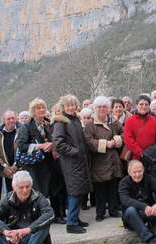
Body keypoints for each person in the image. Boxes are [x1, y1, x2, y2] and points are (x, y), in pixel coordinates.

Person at [52, 95, 91, 233]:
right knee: (75, 191)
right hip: (71, 162)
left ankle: (74, 217)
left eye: (73, 105)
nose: (71, 107)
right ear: (63, 107)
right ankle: (71, 223)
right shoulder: (60, 122)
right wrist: (75, 152)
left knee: (78, 191)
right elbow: (58, 143)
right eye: (68, 105)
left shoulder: (74, 119)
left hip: (79, 161)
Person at [84, 96, 124, 222]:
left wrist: (115, 140)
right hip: (99, 161)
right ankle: (100, 213)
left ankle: (113, 210)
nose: (102, 109)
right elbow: (88, 141)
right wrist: (105, 144)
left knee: (113, 186)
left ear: (108, 109)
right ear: (95, 109)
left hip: (113, 159)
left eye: (104, 106)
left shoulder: (113, 121)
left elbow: (123, 133)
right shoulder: (90, 124)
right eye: (99, 107)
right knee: (100, 188)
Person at [16, 98, 53, 196]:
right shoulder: (26, 126)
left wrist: (52, 144)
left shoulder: (48, 123)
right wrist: (39, 146)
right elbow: (21, 145)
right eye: (38, 108)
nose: (41, 110)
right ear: (33, 111)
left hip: (50, 162)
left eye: (43, 107)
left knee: (52, 191)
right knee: (38, 193)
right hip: (35, 165)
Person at [124, 95, 156, 161]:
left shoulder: (154, 120)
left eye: (146, 104)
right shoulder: (129, 121)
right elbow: (128, 139)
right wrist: (140, 153)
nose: (144, 106)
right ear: (136, 105)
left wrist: (154, 152)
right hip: (136, 157)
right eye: (141, 104)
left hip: (152, 157)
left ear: (149, 106)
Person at [0, 110, 20, 195]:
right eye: (8, 119)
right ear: (4, 120)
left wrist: (16, 166)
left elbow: (24, 149)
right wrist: (4, 167)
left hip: (20, 168)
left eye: (13, 118)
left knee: (22, 194)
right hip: (6, 171)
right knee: (10, 195)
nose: (11, 121)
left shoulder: (22, 130)